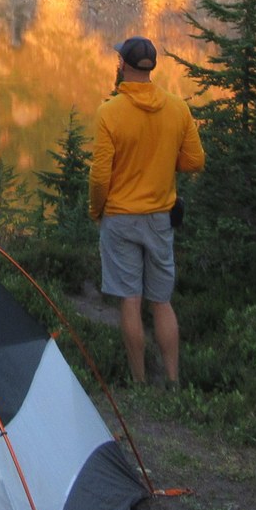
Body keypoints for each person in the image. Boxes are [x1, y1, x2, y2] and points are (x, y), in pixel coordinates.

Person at [90, 35, 204, 387]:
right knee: (162, 302)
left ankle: (139, 382)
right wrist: (164, 162)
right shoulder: (177, 108)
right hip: (159, 218)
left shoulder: (110, 112)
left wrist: (96, 210)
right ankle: (173, 380)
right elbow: (195, 161)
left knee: (130, 301)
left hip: (120, 217)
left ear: (123, 65)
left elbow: (100, 177)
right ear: (151, 67)